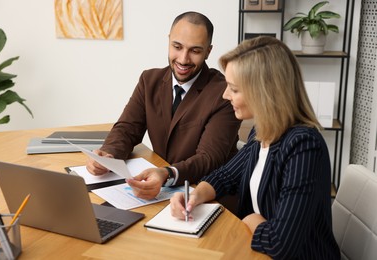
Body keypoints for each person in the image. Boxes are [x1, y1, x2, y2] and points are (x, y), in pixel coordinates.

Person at [170, 36, 340, 259]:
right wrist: (194, 195)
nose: (225, 95)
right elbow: (225, 176)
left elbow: (280, 244)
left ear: (265, 92)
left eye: (234, 89)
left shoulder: (304, 146)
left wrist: (249, 218)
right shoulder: (262, 132)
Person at [86, 11, 241, 199]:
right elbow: (127, 128)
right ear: (168, 41)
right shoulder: (149, 80)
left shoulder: (225, 93)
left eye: (195, 51)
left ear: (208, 51)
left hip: (205, 194)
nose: (183, 59)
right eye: (177, 47)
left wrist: (167, 174)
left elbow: (208, 159)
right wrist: (109, 155)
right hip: (159, 187)